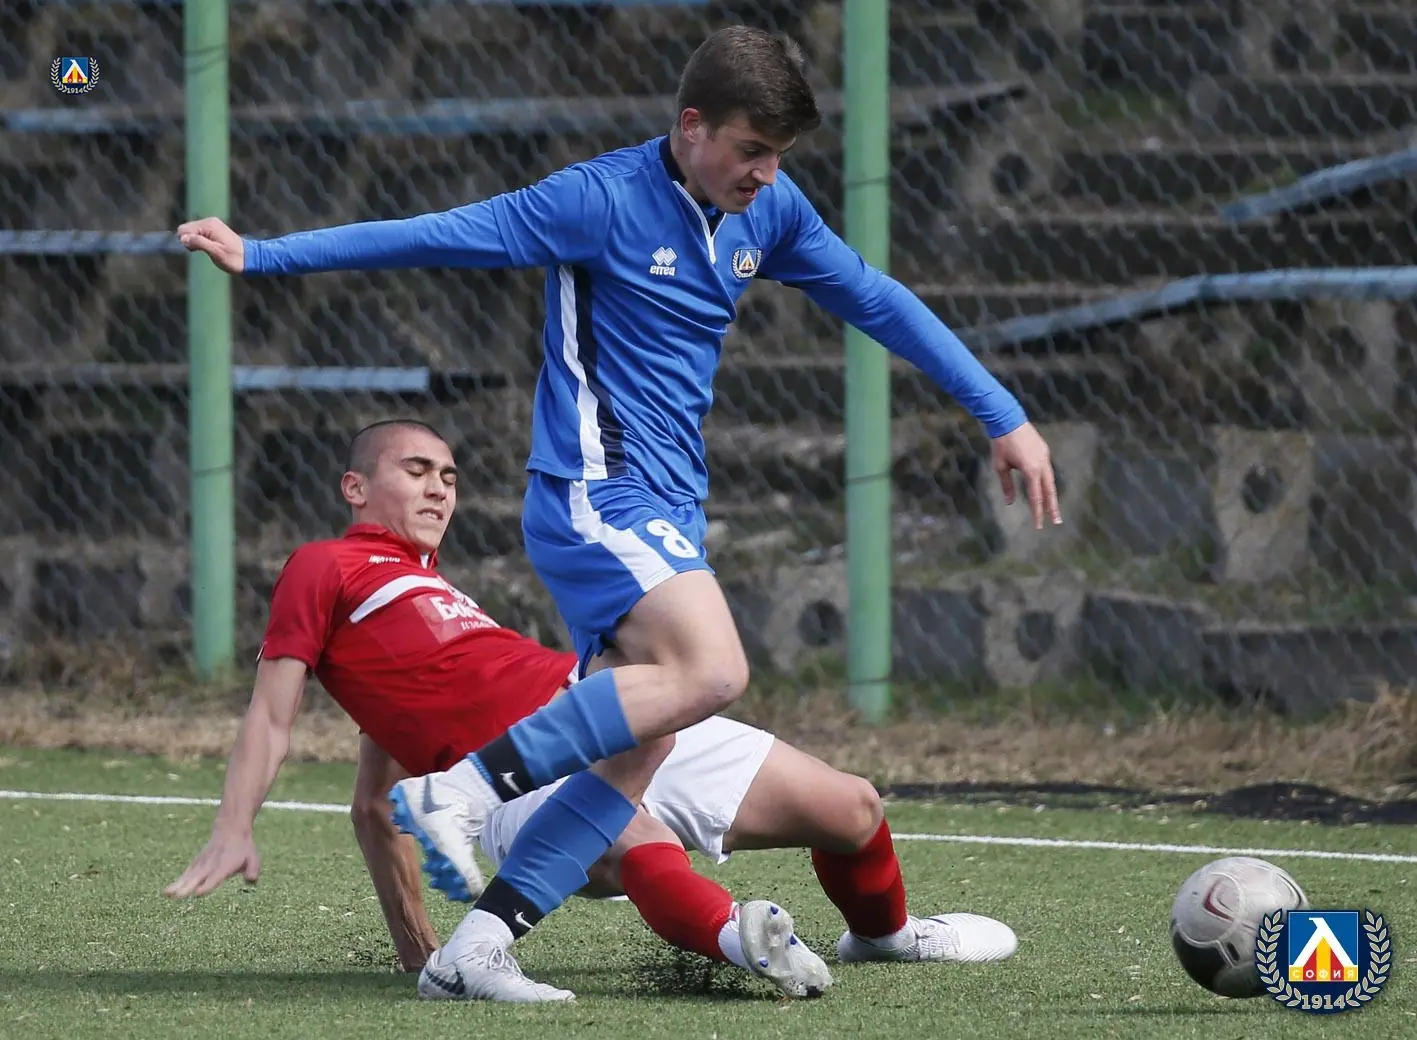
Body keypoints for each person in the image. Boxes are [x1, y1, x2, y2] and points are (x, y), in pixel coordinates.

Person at [177, 26, 1059, 1000]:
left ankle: (473, 951)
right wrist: (265, 255)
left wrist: (1003, 416)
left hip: (667, 510)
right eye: (750, 149)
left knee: (638, 751)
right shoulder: (597, 199)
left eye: (778, 155)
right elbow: (440, 231)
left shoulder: (769, 211)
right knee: (713, 669)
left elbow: (875, 299)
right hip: (592, 493)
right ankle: (458, 793)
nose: (766, 174)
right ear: (691, 126)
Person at [164, 420, 1017, 1003]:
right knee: (633, 837)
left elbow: (374, 797)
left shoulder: (436, 595)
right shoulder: (323, 566)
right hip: (520, 779)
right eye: (415, 471)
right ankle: (741, 939)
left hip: (616, 712)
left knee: (853, 807)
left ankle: (885, 936)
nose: (439, 489)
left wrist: (418, 948)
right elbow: (276, 721)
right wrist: (235, 826)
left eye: (449, 476)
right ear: (354, 486)